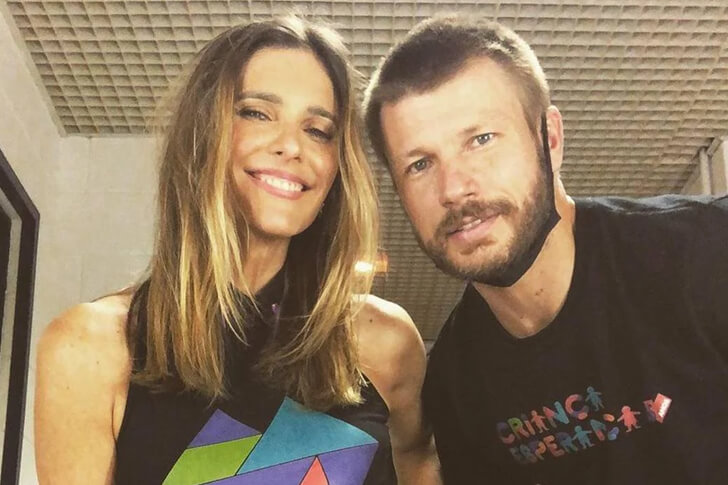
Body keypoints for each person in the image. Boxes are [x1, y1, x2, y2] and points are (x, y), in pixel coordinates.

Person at [35, 16, 439, 485]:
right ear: (202, 134)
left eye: (317, 130)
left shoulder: (383, 340)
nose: (291, 146)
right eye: (256, 113)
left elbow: (419, 459)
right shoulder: (91, 347)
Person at [364, 14, 728, 485]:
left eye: (480, 140)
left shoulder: (708, 250)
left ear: (550, 139)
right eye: (419, 164)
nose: (453, 188)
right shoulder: (456, 383)